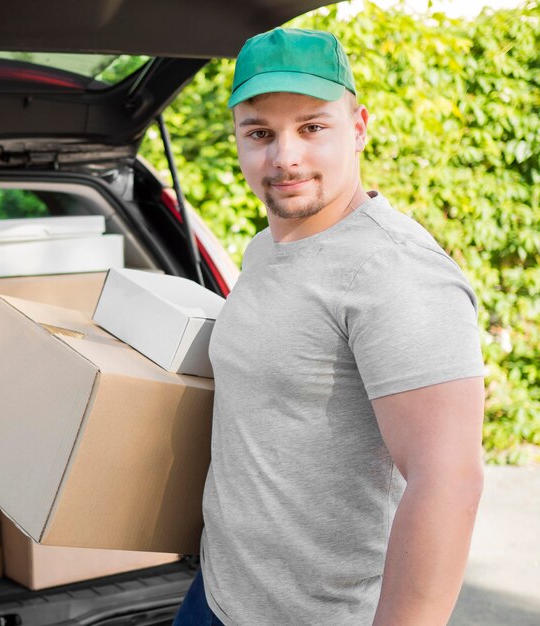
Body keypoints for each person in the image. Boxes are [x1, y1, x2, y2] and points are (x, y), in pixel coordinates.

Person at [173, 27, 485, 626]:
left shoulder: (394, 272)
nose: (285, 156)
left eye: (312, 128)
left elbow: (448, 481)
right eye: (260, 133)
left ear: (359, 126)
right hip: (217, 595)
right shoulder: (267, 247)